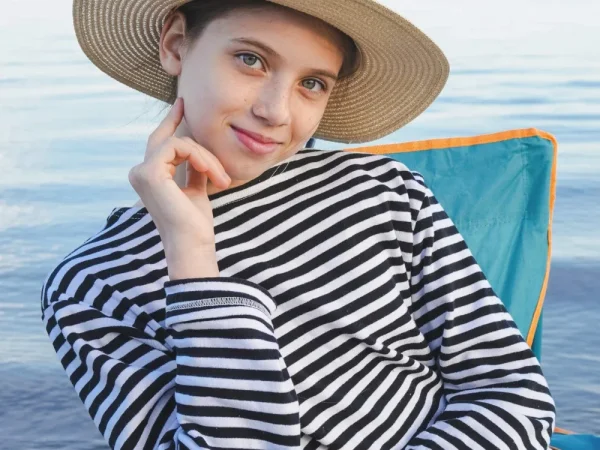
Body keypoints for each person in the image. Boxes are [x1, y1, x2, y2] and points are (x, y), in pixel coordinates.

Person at [40, 0, 556, 449]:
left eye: (312, 83)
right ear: (176, 44)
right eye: (251, 59)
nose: (276, 112)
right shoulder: (92, 287)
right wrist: (192, 260)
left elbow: (512, 394)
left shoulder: (381, 191)